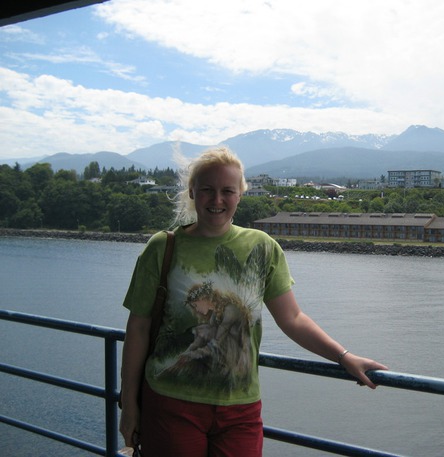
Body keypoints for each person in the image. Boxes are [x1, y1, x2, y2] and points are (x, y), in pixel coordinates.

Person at [119, 146, 388, 457]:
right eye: (207, 189)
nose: (217, 200)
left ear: (240, 195)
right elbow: (138, 329)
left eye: (227, 191)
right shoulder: (162, 247)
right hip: (171, 403)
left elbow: (293, 319)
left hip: (239, 409)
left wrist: (343, 356)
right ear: (192, 191)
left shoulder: (262, 247)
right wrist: (129, 405)